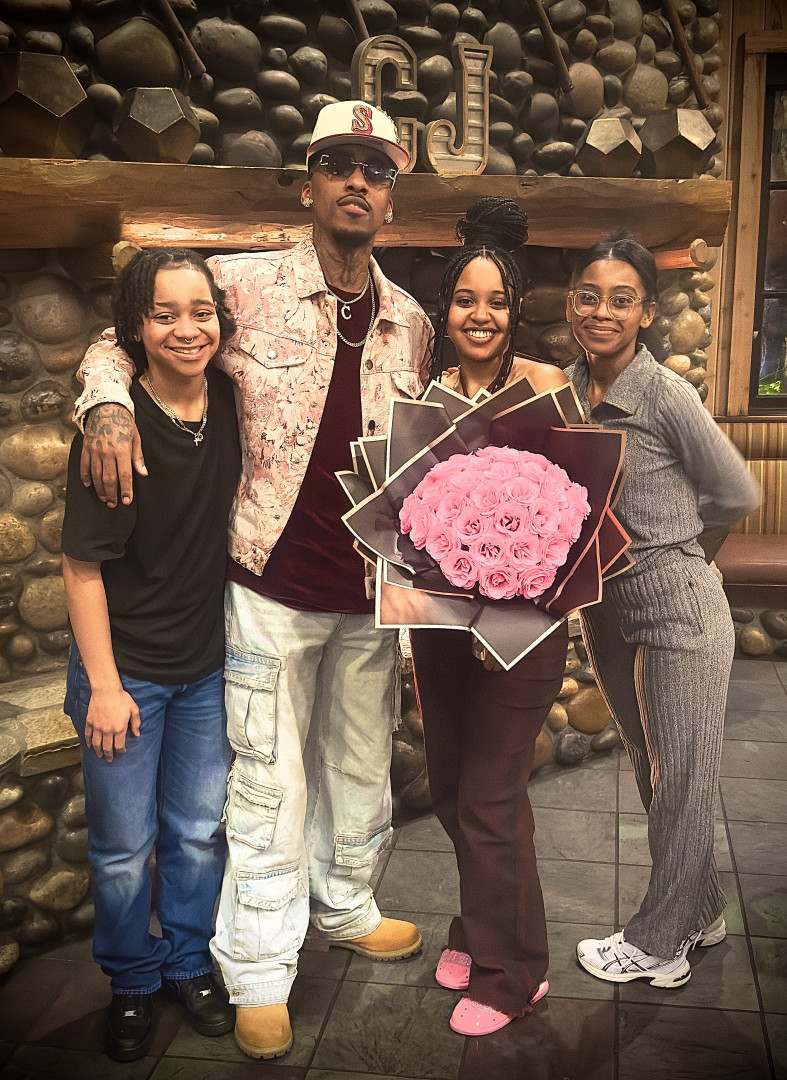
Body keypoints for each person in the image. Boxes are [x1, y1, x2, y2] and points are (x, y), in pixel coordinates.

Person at [71, 101, 433, 1061]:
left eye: (376, 169)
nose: (357, 182)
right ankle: (261, 968)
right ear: (308, 183)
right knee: (266, 782)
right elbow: (119, 337)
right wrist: (107, 406)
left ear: (390, 196)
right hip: (269, 586)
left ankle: (345, 905)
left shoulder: (411, 321)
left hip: (370, 592)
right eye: (339, 164)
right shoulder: (238, 285)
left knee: (359, 765)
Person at [563, 235, 761, 986]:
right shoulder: (565, 390)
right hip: (607, 611)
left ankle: (659, 942)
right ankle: (699, 909)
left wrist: (682, 559)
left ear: (646, 313)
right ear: (570, 305)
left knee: (682, 776)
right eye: (589, 296)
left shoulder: (664, 394)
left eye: (622, 300)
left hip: (678, 609)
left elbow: (735, 492)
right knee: (653, 769)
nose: (602, 311)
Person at [62, 248, 241, 1061]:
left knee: (197, 832)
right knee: (124, 848)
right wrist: (103, 686)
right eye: (164, 314)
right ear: (134, 327)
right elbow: (81, 567)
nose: (186, 329)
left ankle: (187, 961)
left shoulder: (233, 399)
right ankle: (132, 978)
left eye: (200, 311)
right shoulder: (113, 429)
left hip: (204, 667)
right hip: (124, 671)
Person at [409, 197, 570, 1036]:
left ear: (516, 310)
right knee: (452, 788)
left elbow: (580, 512)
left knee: (489, 800)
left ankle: (514, 975)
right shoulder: (422, 395)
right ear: (446, 310)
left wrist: (522, 592)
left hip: (523, 629)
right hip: (439, 624)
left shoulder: (545, 386)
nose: (481, 315)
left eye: (497, 301)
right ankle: (477, 928)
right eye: (466, 300)